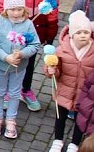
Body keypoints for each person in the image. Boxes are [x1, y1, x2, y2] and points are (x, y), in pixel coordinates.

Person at [0, 0, 59, 112]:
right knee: (14, 61)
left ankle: (25, 90)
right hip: (16, 32)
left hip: (37, 31)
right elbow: (2, 4)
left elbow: (53, 8)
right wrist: (14, 21)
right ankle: (9, 92)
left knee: (29, 62)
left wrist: (51, 29)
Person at [0, 0, 40, 140]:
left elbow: (35, 44)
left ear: (24, 9)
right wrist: (5, 57)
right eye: (12, 9)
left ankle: (11, 120)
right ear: (6, 8)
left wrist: (22, 54)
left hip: (19, 67)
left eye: (19, 9)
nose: (16, 13)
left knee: (14, 93)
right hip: (1, 65)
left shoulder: (28, 24)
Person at [45, 11, 94, 152]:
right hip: (64, 90)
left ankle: (75, 143)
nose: (83, 35)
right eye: (79, 32)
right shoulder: (62, 50)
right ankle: (57, 140)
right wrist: (52, 70)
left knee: (81, 119)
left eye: (86, 32)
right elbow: (56, 71)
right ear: (72, 34)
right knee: (60, 117)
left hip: (84, 94)